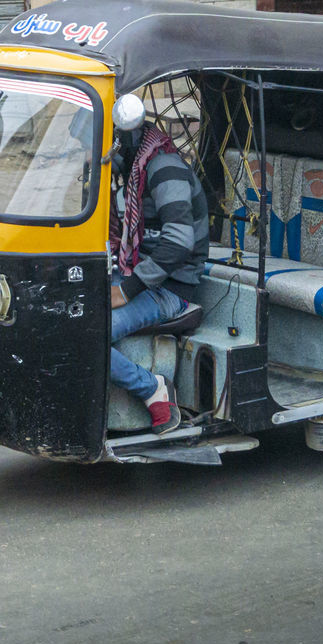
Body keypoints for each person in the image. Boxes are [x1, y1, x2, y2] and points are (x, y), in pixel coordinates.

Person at [109, 111, 209, 434]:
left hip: (170, 288)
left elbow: (179, 243)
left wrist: (126, 290)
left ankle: (153, 390)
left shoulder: (163, 167)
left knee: (90, 332)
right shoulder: (133, 171)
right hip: (135, 274)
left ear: (124, 137)